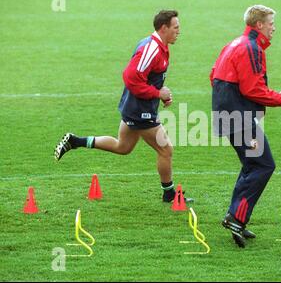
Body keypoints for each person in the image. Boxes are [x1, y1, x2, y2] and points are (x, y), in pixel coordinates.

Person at [54, 10, 192, 203]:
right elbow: (131, 78)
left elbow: (147, 77)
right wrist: (157, 93)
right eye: (176, 27)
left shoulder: (159, 46)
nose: (179, 31)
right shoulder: (151, 49)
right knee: (165, 149)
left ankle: (75, 141)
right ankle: (169, 194)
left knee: (123, 146)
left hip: (135, 106)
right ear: (164, 28)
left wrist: (161, 93)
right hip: (140, 110)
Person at [210, 5, 281, 248]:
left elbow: (213, 74)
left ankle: (235, 218)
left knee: (252, 164)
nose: (273, 28)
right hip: (239, 117)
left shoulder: (235, 43)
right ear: (259, 25)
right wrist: (279, 98)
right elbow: (252, 89)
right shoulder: (252, 48)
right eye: (270, 23)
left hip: (229, 113)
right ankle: (236, 218)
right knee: (263, 165)